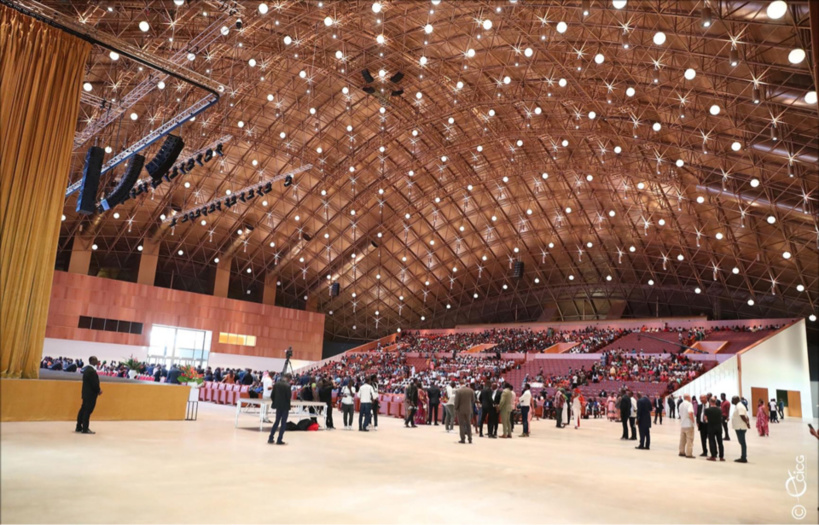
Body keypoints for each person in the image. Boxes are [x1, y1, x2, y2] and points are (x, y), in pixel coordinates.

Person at [75, 356, 102, 434]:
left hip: (86, 394)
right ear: (92, 361)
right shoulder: (91, 371)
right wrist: (99, 390)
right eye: (96, 360)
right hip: (90, 394)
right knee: (87, 411)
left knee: (83, 410)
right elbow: (94, 383)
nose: (97, 361)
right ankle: (85, 428)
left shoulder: (87, 370)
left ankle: (79, 426)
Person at [268, 373, 291, 445]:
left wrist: (276, 402)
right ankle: (279, 439)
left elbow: (272, 395)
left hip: (278, 405)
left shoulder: (276, 384)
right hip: (285, 406)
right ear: (288, 378)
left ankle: (270, 438)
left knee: (276, 421)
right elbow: (288, 397)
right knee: (283, 423)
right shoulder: (287, 386)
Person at [731, 396, 750, 463]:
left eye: (732, 399)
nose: (731, 401)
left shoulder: (739, 406)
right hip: (739, 427)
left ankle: (743, 457)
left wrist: (747, 423)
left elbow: (742, 416)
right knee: (741, 442)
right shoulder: (738, 406)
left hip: (740, 427)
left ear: (736, 400)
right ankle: (743, 456)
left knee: (742, 442)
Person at [678, 394, 695, 458]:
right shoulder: (689, 404)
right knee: (689, 439)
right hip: (688, 424)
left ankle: (681, 452)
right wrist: (693, 420)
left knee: (682, 440)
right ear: (688, 397)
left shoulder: (681, 404)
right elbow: (690, 412)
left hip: (683, 424)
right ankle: (689, 453)